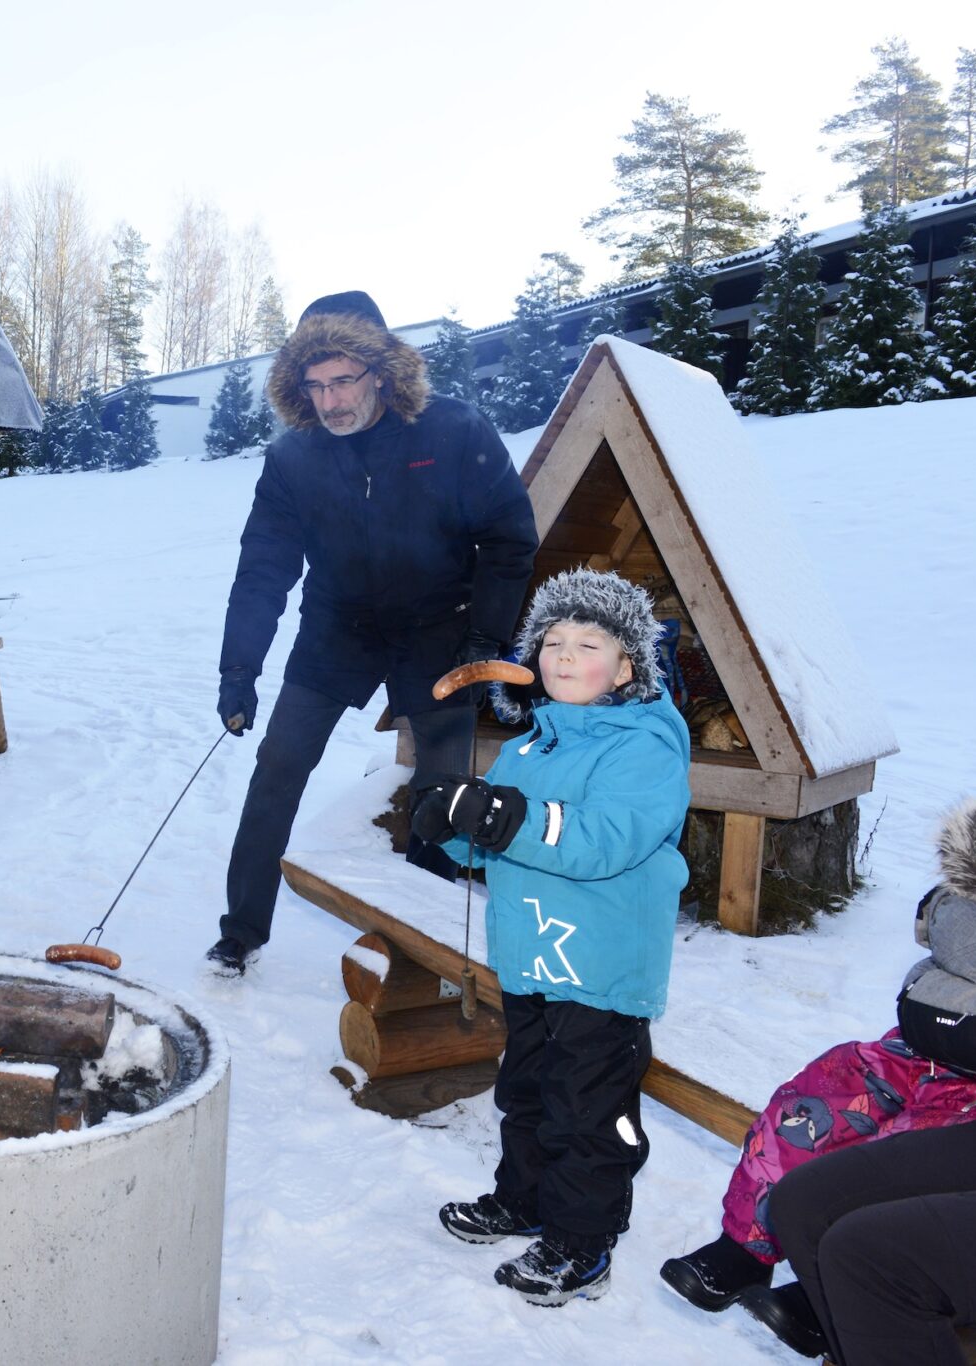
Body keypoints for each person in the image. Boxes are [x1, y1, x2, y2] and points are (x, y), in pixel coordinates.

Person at [654, 763, 976, 1360]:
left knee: (911, 1144)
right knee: (820, 1099)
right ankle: (745, 1245)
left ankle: (828, 1289)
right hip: (924, 1052)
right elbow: (937, 980)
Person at [210, 290, 537, 975]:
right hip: (337, 628)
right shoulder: (294, 458)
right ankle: (241, 931)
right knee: (278, 769)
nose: (330, 402)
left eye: (343, 381)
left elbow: (509, 540)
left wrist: (484, 638)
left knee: (440, 791)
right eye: (315, 384)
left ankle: (422, 946)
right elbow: (264, 570)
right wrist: (238, 670)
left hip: (437, 631)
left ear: (381, 373)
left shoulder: (452, 433)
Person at [422, 569, 690, 1306]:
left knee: (589, 1111)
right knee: (528, 1092)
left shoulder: (644, 748)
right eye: (554, 641)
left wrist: (507, 818)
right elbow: (501, 848)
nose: (565, 656)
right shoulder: (528, 748)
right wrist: (453, 831)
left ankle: (582, 1240)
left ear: (628, 664)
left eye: (589, 643)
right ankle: (525, 1200)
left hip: (601, 968)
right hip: (533, 960)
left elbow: (603, 839)